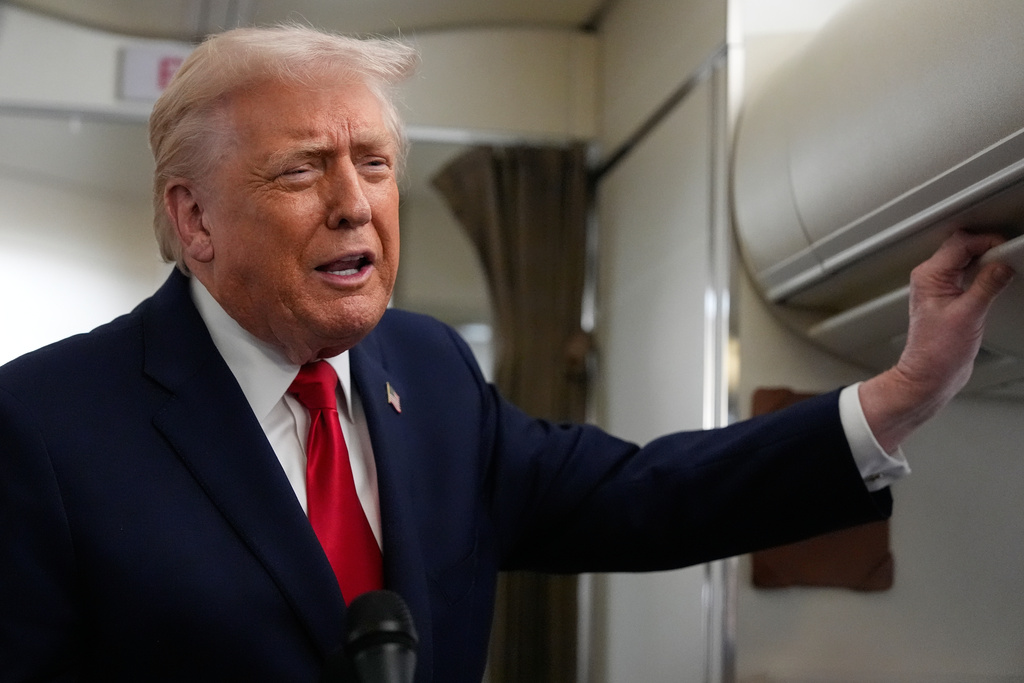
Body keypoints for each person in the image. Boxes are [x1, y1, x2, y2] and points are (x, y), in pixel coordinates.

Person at [0, 24, 1014, 683]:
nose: (355, 201)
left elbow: (640, 494)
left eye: (375, 163)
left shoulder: (431, 371)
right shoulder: (46, 426)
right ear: (195, 218)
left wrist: (905, 393)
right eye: (303, 168)